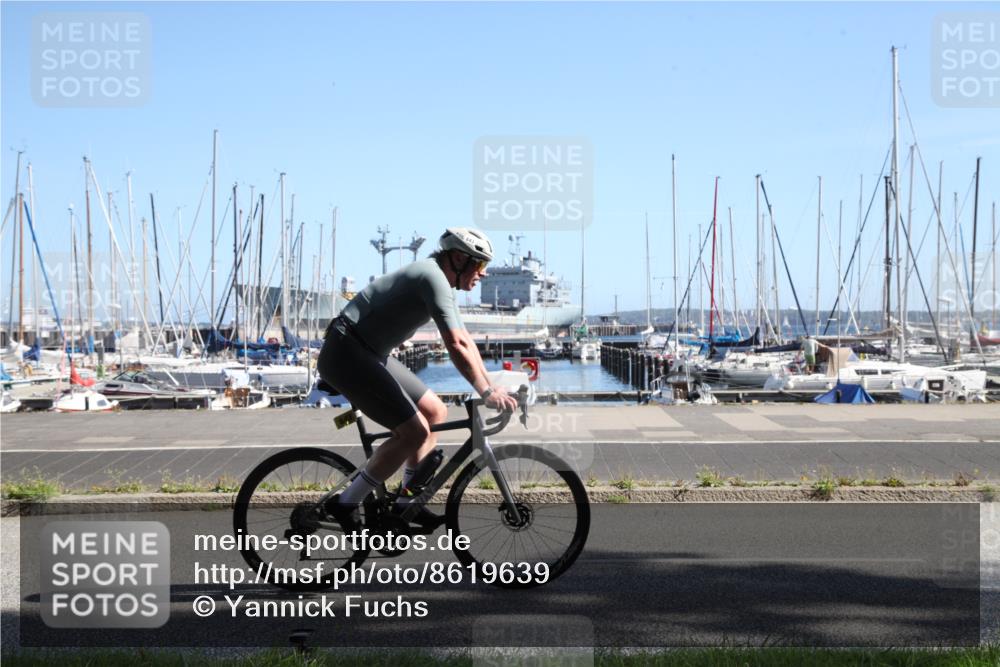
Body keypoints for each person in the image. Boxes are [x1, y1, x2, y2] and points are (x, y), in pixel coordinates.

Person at [317, 227, 518, 532]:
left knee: (436, 412)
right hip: (347, 352)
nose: (483, 274)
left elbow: (466, 339)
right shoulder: (432, 277)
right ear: (460, 258)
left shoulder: (442, 284)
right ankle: (345, 504)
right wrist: (485, 391)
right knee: (413, 432)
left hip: (371, 353)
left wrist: (490, 385)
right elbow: (455, 344)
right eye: (480, 264)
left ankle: (406, 503)